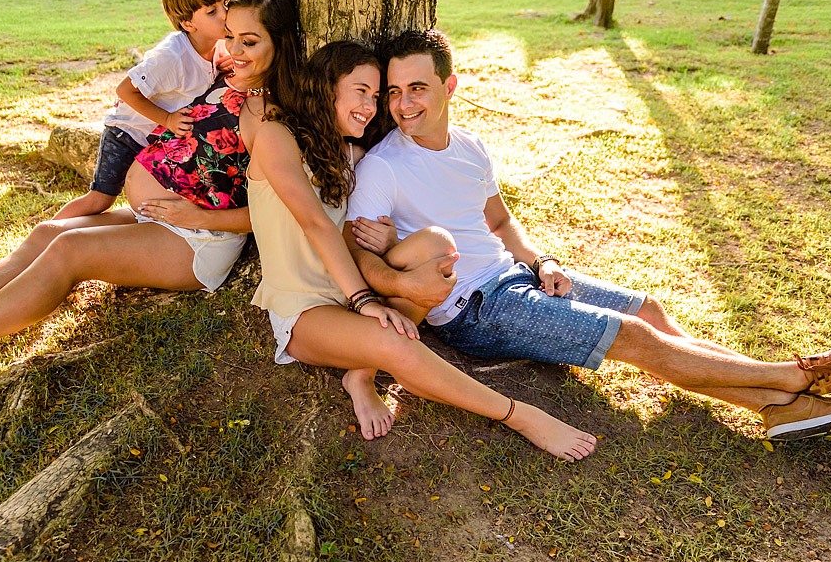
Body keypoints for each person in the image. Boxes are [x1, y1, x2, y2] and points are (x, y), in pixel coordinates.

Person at [345, 29, 831, 441]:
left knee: (650, 312)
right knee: (633, 336)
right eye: (394, 92)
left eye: (416, 87)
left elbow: (500, 221)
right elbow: (354, 252)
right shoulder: (384, 166)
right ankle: (802, 375)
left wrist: (542, 262)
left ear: (449, 85)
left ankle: (776, 408)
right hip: (474, 310)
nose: (402, 104)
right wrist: (381, 297)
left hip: (516, 276)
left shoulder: (470, 147)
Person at [0, 0, 302, 386]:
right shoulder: (230, 76)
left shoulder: (265, 115)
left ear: (279, 45)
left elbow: (274, 214)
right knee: (49, 233)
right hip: (162, 217)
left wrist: (199, 216)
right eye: (231, 36)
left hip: (198, 239)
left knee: (69, 251)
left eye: (250, 42)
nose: (233, 50)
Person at [247, 41, 596, 461]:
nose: (371, 106)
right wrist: (363, 303)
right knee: (399, 347)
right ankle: (518, 415)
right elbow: (314, 222)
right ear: (325, 88)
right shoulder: (274, 136)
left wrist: (389, 251)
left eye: (377, 96)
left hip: (356, 291)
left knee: (435, 245)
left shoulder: (349, 153)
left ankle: (361, 374)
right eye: (361, 91)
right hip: (307, 310)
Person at [54, 0, 232, 221]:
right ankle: (50, 231)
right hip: (127, 135)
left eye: (226, 3)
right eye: (212, 11)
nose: (226, 15)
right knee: (100, 199)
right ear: (187, 23)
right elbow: (125, 91)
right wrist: (168, 118)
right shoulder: (172, 55)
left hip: (157, 143)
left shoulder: (216, 47)